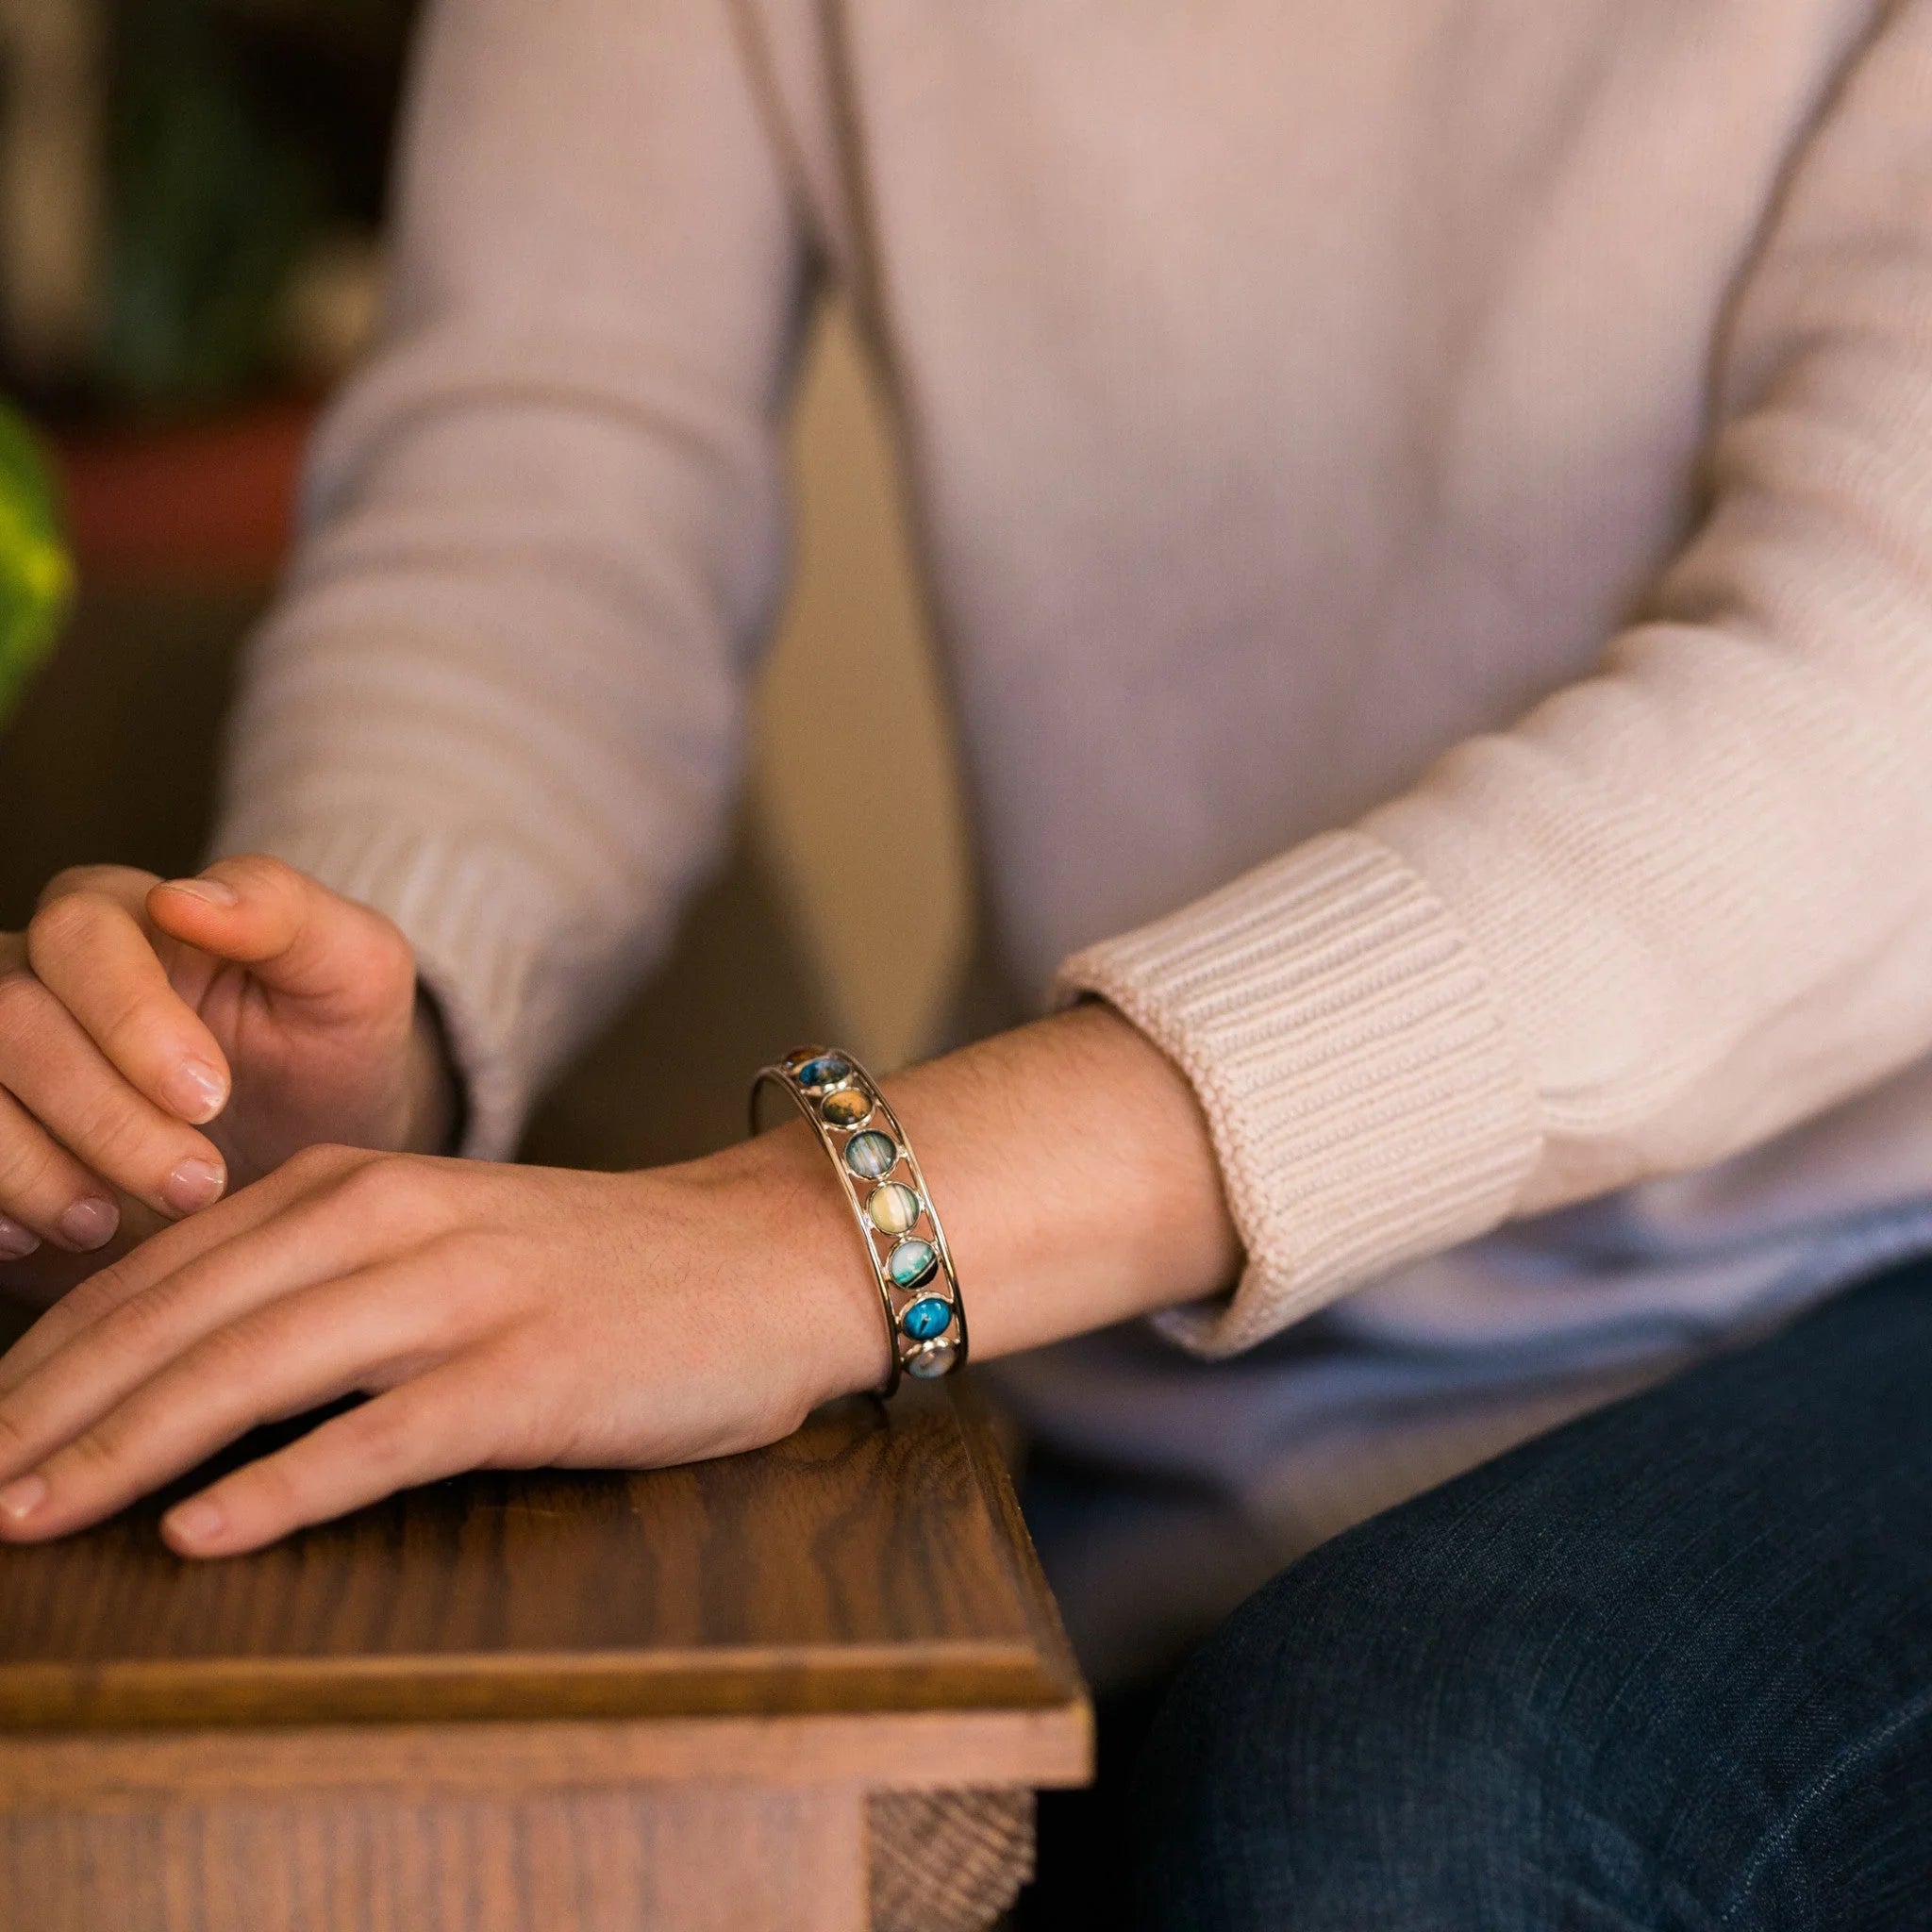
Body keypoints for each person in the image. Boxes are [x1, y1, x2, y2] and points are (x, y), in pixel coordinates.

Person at [3, 1, 1932, 1920]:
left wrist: (828, 1230)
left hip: (1843, 1278)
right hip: (1105, 1342)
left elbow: (1871, 707)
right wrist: (357, 998)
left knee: (1394, 1801)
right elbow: (541, 488)